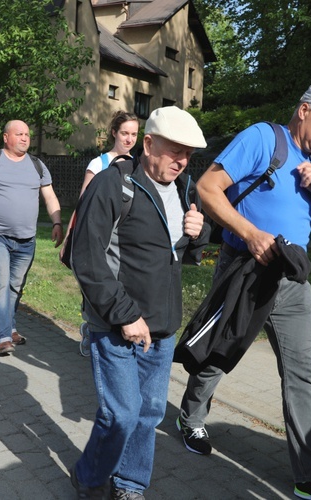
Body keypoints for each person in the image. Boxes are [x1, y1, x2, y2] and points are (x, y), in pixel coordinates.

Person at [176, 83, 311, 500]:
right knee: (223, 351)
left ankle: (309, 475)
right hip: (244, 269)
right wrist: (250, 233)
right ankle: (190, 417)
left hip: (291, 283)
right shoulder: (262, 138)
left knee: (302, 375)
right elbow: (207, 189)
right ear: (304, 110)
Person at [69, 106, 209, 499]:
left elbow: (183, 246)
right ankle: (90, 476)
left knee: (148, 414)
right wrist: (125, 315)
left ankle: (130, 484)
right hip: (116, 324)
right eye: (174, 151)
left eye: (188, 154)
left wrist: (200, 233)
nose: (181, 161)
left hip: (162, 326)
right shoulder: (113, 185)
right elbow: (87, 256)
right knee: (123, 414)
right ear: (148, 144)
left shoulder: (185, 186)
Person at [0, 120, 64, 356]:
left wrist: (57, 222)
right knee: (0, 284)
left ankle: (9, 327)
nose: (25, 138)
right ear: (5, 137)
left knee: (15, 286)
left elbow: (49, 196)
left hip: (26, 240)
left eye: (27, 134)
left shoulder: (37, 165)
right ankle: (2, 337)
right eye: (19, 134)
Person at [69, 111, 139, 357]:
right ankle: (92, 330)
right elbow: (82, 206)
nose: (129, 139)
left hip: (125, 242)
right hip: (97, 238)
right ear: (114, 133)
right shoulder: (98, 164)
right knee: (96, 285)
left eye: (134, 134)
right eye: (124, 133)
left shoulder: (138, 166)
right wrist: (70, 239)